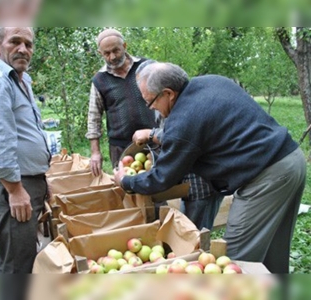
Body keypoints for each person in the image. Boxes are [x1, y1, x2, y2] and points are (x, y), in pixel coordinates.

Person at [114, 62, 306, 274]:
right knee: (274, 250)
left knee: (232, 259)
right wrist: (154, 134)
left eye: (150, 102)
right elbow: (202, 129)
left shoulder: (183, 120)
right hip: (291, 160)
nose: (151, 107)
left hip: (266, 178)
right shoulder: (210, 82)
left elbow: (162, 177)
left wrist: (126, 181)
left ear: (168, 94)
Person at [0, 27, 51, 277]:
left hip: (28, 180)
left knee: (26, 252)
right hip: (14, 184)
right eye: (15, 41)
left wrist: (42, 179)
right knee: (17, 263)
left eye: (28, 44)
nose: (23, 49)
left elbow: (25, 131)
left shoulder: (21, 80)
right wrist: (15, 190)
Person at [85, 28, 157, 175]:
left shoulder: (147, 67)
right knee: (126, 191)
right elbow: (94, 117)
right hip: (121, 147)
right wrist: (95, 152)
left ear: (124, 46)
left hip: (154, 140)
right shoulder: (100, 80)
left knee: (160, 188)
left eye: (116, 51)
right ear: (100, 53)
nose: (112, 57)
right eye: (106, 53)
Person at [133, 124, 224, 231]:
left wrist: (151, 134)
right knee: (186, 229)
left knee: (195, 234)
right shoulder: (169, 111)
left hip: (202, 185)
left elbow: (183, 136)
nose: (153, 108)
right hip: (189, 183)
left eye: (152, 105)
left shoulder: (190, 111)